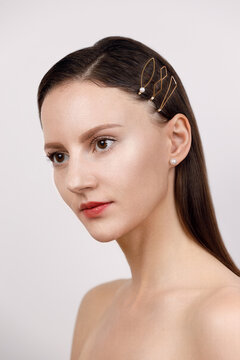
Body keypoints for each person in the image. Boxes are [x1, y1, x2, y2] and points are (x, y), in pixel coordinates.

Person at [37, 36, 240, 359]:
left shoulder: (228, 320)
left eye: (102, 143)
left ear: (175, 141)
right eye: (59, 156)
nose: (75, 180)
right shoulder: (96, 307)